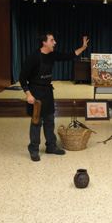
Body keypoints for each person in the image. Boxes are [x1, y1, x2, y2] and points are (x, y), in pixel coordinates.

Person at [19, 32, 89, 162]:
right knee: (36, 123)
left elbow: (69, 56)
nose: (55, 42)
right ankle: (34, 150)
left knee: (50, 121)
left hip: (47, 93)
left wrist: (83, 48)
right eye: (52, 40)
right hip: (35, 94)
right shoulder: (33, 57)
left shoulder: (52, 55)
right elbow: (22, 78)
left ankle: (51, 146)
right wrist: (28, 94)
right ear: (44, 43)